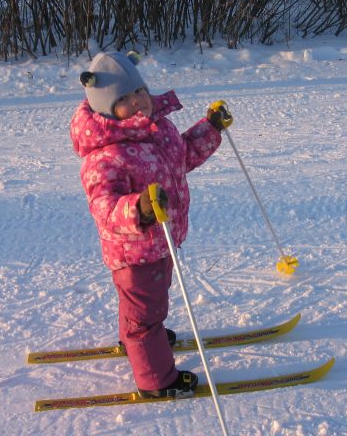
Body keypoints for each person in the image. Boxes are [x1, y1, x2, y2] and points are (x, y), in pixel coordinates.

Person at [69, 51, 232, 398]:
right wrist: (139, 208)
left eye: (139, 90)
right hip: (133, 251)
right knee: (145, 314)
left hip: (160, 242)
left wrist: (211, 128)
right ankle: (157, 380)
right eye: (124, 99)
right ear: (105, 109)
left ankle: (140, 338)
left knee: (148, 304)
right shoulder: (105, 155)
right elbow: (104, 207)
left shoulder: (156, 129)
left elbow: (183, 155)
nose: (138, 101)